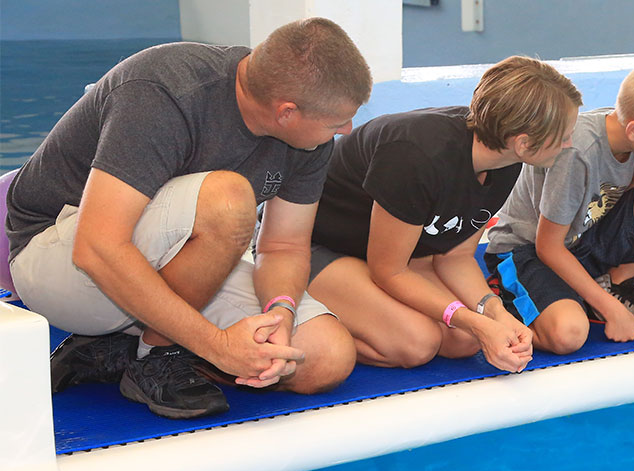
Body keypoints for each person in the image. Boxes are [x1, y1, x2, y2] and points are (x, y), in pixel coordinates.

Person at [5, 18, 371, 418]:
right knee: (229, 199)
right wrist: (217, 346)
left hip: (180, 258)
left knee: (323, 357)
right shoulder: (164, 91)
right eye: (338, 123)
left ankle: (122, 347)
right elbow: (96, 248)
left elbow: (284, 246)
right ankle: (159, 354)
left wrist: (280, 311)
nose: (347, 131)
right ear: (287, 111)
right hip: (62, 259)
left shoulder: (307, 134)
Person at [306, 56, 582, 373]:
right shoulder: (416, 155)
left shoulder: (505, 163)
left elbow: (456, 256)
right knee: (417, 343)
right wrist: (473, 320)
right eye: (563, 136)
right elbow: (389, 272)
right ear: (522, 142)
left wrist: (496, 313)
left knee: (464, 341)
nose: (569, 143)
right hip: (319, 247)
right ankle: (318, 325)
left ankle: (369, 312)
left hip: (390, 252)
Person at [484, 59, 634, 354]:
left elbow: (602, 209)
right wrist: (611, 309)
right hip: (527, 250)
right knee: (569, 335)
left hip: (579, 241)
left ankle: (609, 285)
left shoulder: (630, 142)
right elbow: (547, 246)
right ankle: (503, 307)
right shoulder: (577, 153)